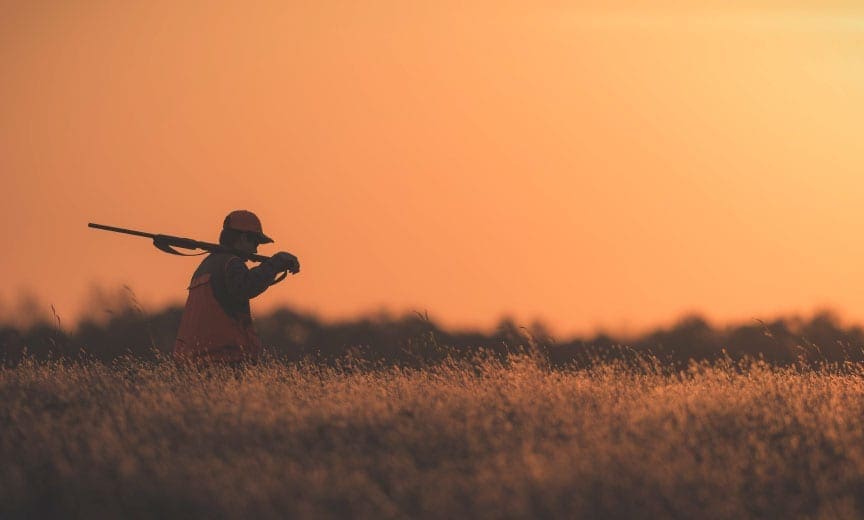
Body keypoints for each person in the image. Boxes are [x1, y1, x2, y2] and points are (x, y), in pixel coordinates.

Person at [173, 210, 299, 364]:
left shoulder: (205, 266)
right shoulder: (231, 263)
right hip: (223, 357)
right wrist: (277, 262)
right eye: (255, 243)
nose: (256, 250)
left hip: (193, 359)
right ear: (243, 237)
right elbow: (246, 287)